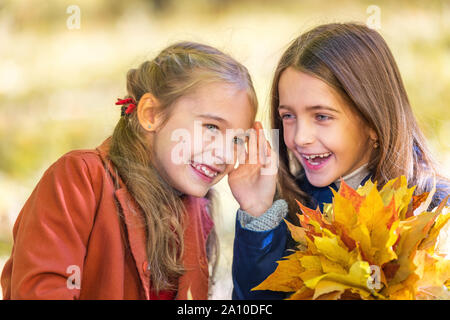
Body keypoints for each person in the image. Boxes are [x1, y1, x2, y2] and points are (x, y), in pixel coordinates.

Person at [1, 41, 258, 299]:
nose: (225, 154)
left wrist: (257, 212)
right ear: (151, 114)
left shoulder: (196, 208)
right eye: (212, 127)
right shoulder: (80, 179)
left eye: (238, 140)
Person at [228, 22, 450, 300]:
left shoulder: (433, 211)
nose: (300, 137)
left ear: (372, 121)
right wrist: (259, 214)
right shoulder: (290, 209)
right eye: (288, 116)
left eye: (321, 116)